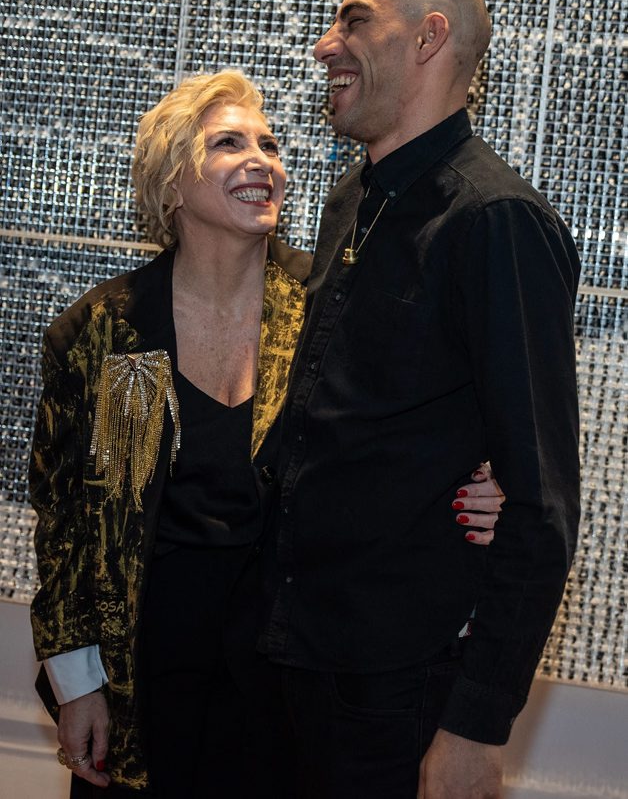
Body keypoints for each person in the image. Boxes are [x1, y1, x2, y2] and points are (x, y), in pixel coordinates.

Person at [29, 68, 501, 797]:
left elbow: (407, 445)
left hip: (297, 672)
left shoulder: (331, 310)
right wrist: (76, 684)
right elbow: (66, 524)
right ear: (170, 184)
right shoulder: (102, 333)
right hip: (146, 674)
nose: (262, 161)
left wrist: (487, 487)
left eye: (270, 146)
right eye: (229, 144)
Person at [259, 0, 581, 799]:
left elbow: (542, 506)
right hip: (295, 661)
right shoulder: (351, 199)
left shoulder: (495, 221)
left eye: (354, 21)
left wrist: (476, 725)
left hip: (398, 688)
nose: (325, 45)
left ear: (429, 38)